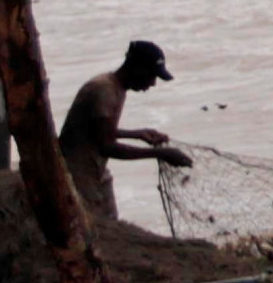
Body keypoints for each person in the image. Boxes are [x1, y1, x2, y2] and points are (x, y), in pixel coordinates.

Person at [59, 41, 187, 223]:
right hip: (76, 173)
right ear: (136, 67)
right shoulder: (104, 91)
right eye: (151, 76)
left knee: (111, 225)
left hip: (94, 169)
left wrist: (138, 133)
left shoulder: (114, 87)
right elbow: (107, 147)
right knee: (93, 228)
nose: (152, 83)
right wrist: (160, 153)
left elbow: (96, 131)